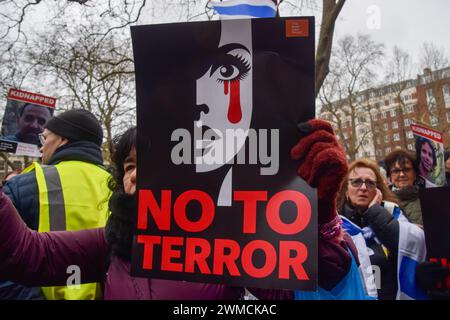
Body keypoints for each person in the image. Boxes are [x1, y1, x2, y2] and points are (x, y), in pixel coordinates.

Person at [0, 120, 363, 300]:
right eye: (128, 166)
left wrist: (317, 224)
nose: (137, 174)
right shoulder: (111, 243)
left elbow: (310, 288)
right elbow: (28, 254)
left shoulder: (229, 242)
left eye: (152, 162)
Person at [1, 109, 111, 300]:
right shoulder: (119, 185)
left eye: (44, 138)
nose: (41, 148)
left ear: (63, 139)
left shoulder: (24, 183)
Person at [337, 159, 427, 300]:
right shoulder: (335, 224)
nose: (363, 187)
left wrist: (374, 211)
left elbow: (409, 248)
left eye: (370, 183)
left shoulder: (393, 213)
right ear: (345, 189)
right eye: (356, 182)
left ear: (378, 189)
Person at [384, 149, 423, 225]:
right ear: (390, 176)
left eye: (406, 170)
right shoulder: (383, 202)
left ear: (415, 174)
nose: (401, 175)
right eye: (396, 171)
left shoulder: (427, 199)